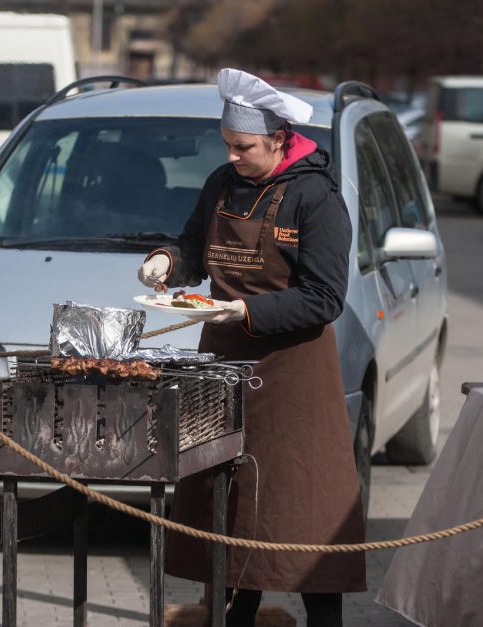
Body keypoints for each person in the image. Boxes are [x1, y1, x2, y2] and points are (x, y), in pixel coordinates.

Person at [137, 69, 365, 626]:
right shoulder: (221, 182)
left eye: (244, 147)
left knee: (301, 511)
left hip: (294, 378)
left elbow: (325, 297)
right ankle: (235, 617)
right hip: (222, 362)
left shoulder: (317, 197)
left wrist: (248, 311)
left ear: (280, 140)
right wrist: (169, 262)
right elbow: (196, 247)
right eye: (228, 145)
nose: (234, 156)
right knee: (229, 509)